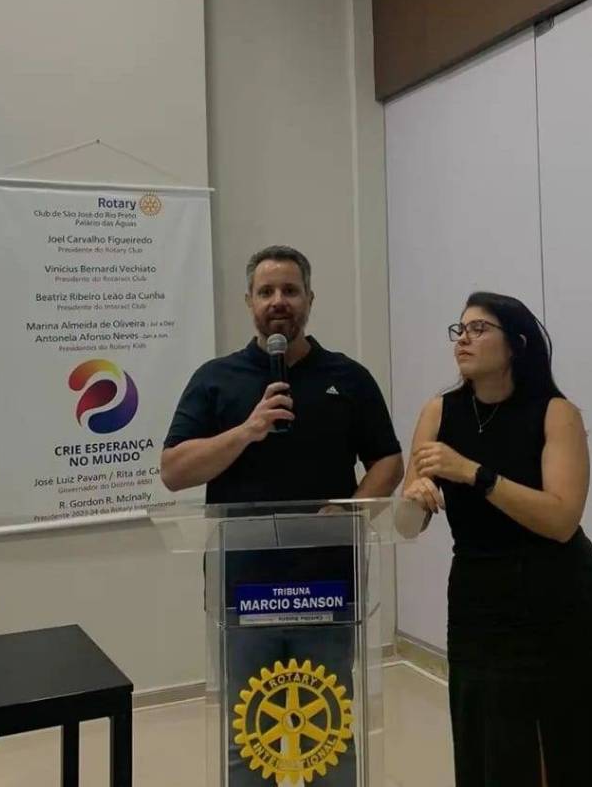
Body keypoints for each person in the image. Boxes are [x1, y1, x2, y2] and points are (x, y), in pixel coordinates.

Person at [161, 245, 403, 786]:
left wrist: (351, 508)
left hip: (328, 586)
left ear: (309, 300)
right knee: (250, 735)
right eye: (266, 291)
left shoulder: (348, 377)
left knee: (328, 731)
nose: (279, 301)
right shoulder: (216, 379)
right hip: (244, 590)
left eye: (290, 291)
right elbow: (174, 471)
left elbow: (389, 460)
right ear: (248, 302)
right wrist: (247, 431)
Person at [403, 293, 592, 787]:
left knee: (576, 739)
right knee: (494, 740)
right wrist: (414, 495)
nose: (463, 340)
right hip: (479, 599)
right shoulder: (438, 412)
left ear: (515, 344)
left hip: (560, 597)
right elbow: (408, 524)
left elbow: (561, 520)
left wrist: (474, 473)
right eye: (459, 330)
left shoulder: (556, 413)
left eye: (478, 329)